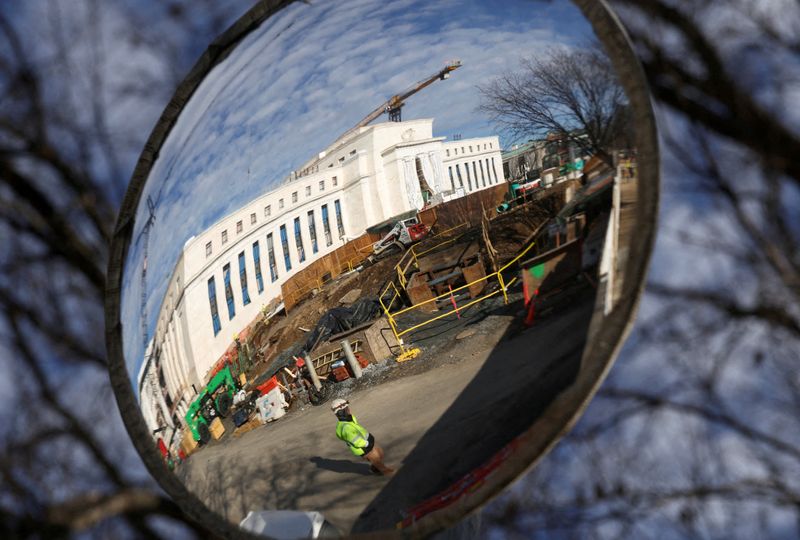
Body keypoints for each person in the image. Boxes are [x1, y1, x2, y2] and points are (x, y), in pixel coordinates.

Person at [331, 398, 394, 476]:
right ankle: (386, 471)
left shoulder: (349, 419)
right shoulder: (346, 427)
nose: (349, 410)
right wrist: (365, 444)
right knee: (376, 459)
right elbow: (355, 440)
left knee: (380, 453)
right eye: (347, 409)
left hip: (368, 440)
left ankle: (374, 468)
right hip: (363, 447)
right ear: (341, 412)